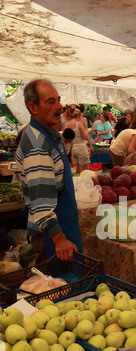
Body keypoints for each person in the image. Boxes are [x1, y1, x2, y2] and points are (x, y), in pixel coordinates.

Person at [15, 79, 82, 263]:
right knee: (57, 287)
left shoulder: (50, 135)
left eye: (58, 100)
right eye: (50, 101)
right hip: (52, 236)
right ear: (33, 107)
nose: (60, 106)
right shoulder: (37, 146)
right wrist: (59, 240)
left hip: (64, 224)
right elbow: (42, 204)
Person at [64, 107, 93, 173]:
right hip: (81, 147)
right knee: (84, 171)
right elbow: (85, 137)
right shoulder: (79, 124)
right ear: (78, 116)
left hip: (72, 148)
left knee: (76, 170)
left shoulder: (67, 125)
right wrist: (87, 132)